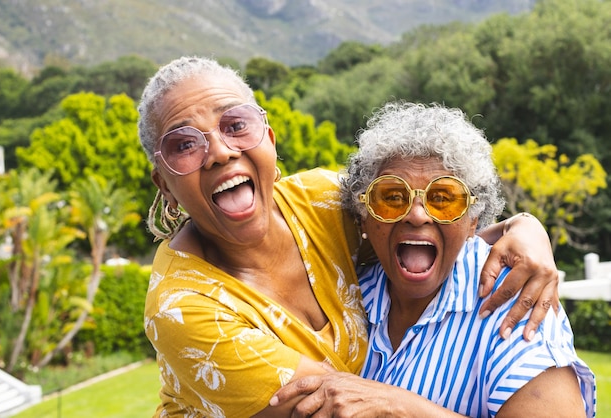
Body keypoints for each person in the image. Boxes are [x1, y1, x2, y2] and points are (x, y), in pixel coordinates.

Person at [137, 56, 561, 417]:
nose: (221, 152)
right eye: (184, 144)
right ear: (164, 184)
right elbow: (350, 405)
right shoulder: (183, 307)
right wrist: (399, 404)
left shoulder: (323, 201)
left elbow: (421, 215)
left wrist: (521, 227)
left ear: (267, 137)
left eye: (235, 124)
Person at [271, 102, 596, 417]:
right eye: (392, 196)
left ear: (473, 219)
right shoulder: (342, 291)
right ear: (363, 218)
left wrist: (398, 407)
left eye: (443, 198)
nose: (416, 214)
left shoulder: (515, 302)